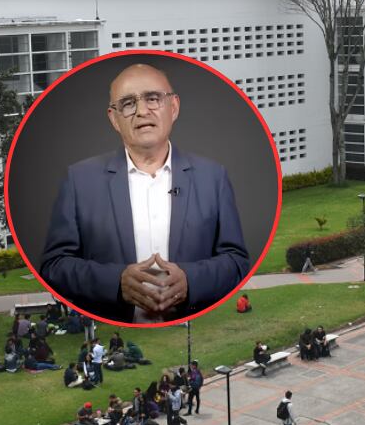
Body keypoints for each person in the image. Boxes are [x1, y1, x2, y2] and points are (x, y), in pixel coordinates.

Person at [40, 64, 250, 323]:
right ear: (114, 118)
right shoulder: (79, 180)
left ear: (173, 107)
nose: (141, 111)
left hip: (195, 325)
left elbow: (237, 261)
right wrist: (116, 282)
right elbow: (54, 266)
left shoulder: (213, 177)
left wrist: (191, 280)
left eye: (152, 98)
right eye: (128, 103)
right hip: (113, 327)